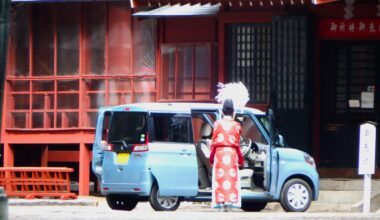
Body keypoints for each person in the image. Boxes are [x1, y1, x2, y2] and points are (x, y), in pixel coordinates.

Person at [209, 99, 244, 212]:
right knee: (231, 178)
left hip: (220, 153)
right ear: (233, 112)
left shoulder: (217, 124)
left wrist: (211, 157)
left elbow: (214, 143)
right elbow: (238, 144)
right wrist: (241, 159)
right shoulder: (237, 126)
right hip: (232, 154)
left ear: (222, 112)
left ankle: (221, 203)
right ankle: (229, 204)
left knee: (220, 177)